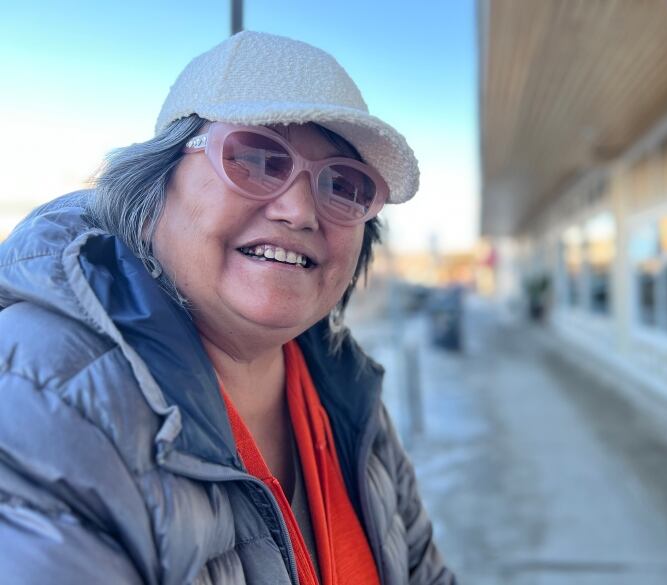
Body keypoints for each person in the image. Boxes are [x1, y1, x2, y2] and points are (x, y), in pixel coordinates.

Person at [0, 31, 455, 585]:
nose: (298, 211)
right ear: (150, 196)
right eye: (256, 158)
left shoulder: (346, 390)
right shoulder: (42, 399)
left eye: (344, 184)